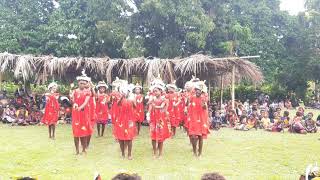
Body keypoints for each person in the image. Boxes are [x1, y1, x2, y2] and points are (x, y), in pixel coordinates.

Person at [70, 72, 93, 155]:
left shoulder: (87, 92)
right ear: (78, 83)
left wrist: (80, 107)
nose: (82, 85)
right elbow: (72, 99)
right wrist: (73, 101)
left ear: (85, 84)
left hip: (84, 113)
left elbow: (86, 102)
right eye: (80, 83)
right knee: (76, 132)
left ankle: (84, 149)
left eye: (83, 83)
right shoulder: (75, 91)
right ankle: (77, 150)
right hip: (76, 114)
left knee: (83, 131)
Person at [149, 82, 171, 158]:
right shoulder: (153, 99)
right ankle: (155, 152)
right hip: (153, 119)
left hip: (160, 119)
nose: (155, 92)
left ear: (161, 91)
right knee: (153, 136)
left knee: (160, 137)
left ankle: (160, 153)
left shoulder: (164, 99)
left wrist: (155, 106)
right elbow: (149, 106)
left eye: (156, 91)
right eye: (154, 91)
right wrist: (148, 114)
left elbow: (162, 107)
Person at [114, 84, 136, 160]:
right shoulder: (120, 100)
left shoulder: (132, 99)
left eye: (127, 91)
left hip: (130, 120)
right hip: (121, 120)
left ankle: (129, 154)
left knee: (129, 138)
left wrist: (132, 100)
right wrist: (122, 97)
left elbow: (135, 107)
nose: (125, 93)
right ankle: (123, 153)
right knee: (121, 138)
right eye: (124, 91)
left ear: (129, 92)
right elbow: (117, 104)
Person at [187, 84, 209, 157]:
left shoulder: (203, 98)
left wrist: (204, 105)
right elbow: (188, 104)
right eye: (196, 90)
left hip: (201, 119)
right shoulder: (192, 97)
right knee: (193, 136)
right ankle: (194, 151)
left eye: (199, 90)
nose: (197, 91)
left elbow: (205, 107)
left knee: (200, 137)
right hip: (193, 118)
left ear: (201, 91)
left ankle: (200, 152)